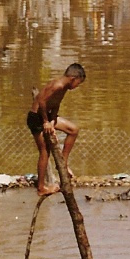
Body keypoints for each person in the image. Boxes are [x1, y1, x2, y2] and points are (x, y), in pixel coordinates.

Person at [27, 63, 86, 196]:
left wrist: (53, 119)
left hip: (47, 116)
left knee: (73, 130)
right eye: (78, 83)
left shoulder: (64, 87)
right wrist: (46, 122)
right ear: (73, 78)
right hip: (36, 117)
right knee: (45, 152)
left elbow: (56, 103)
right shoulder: (57, 85)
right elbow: (41, 101)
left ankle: (63, 163)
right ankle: (41, 188)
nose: (77, 86)